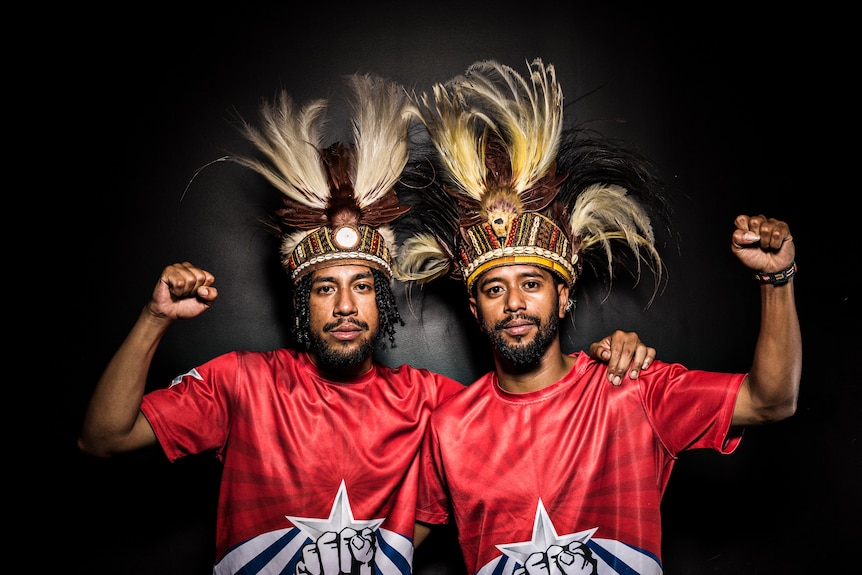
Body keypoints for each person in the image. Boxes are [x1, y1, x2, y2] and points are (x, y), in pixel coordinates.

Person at [77, 73, 656, 575]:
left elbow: (530, 414)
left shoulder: (432, 403)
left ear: (384, 301)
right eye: (326, 288)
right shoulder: (242, 384)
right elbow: (102, 438)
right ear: (302, 302)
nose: (347, 307)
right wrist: (155, 318)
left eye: (362, 286)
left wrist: (606, 358)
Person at [401, 59, 802, 575]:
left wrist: (778, 279)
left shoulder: (630, 388)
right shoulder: (450, 427)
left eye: (532, 284)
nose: (515, 304)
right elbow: (389, 545)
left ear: (564, 295)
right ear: (475, 310)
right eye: (495, 289)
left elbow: (773, 400)